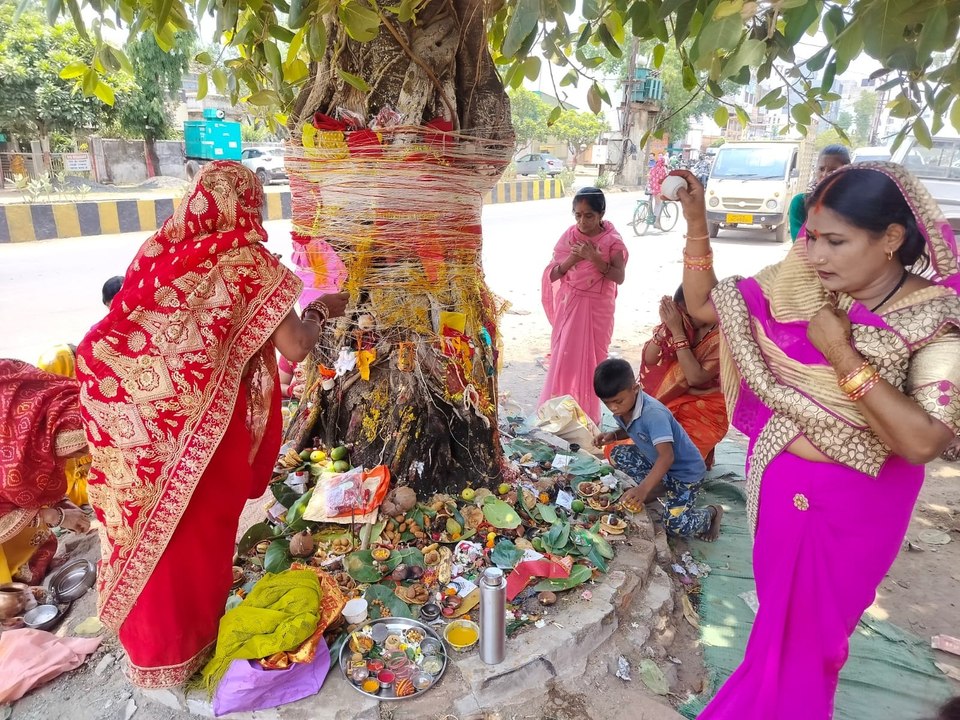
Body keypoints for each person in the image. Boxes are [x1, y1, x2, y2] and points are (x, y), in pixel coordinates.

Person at [670, 161, 960, 719]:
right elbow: (707, 307)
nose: (816, 253)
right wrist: (697, 220)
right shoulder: (803, 279)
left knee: (811, 648)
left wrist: (841, 353)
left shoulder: (934, 320)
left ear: (891, 240)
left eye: (835, 240)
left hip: (855, 508)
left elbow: (923, 441)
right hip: (782, 485)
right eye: (811, 237)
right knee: (776, 640)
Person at [74, 161, 349, 688]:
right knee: (194, 532)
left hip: (128, 413)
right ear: (245, 204)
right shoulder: (248, 261)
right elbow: (293, 345)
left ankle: (152, 654)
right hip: (201, 425)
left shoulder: (161, 253)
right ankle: (189, 648)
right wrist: (321, 312)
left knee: (144, 525)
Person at [593, 358, 722, 540]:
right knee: (617, 454)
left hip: (686, 475)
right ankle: (661, 486)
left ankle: (711, 514)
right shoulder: (625, 408)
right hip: (661, 465)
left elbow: (667, 457)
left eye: (617, 401)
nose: (613, 408)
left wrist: (643, 489)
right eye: (607, 403)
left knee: (674, 526)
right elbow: (633, 429)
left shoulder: (654, 414)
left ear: (635, 389)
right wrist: (613, 436)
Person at [540, 187, 628, 424]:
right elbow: (552, 274)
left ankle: (589, 415)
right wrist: (573, 259)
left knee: (593, 363)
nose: (582, 221)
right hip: (571, 304)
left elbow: (619, 277)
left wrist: (595, 259)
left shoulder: (612, 241)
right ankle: (559, 411)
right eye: (577, 215)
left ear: (601, 215)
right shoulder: (570, 236)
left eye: (588, 216)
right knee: (564, 356)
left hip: (598, 307)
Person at [0, 360, 91, 584]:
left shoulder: (29, 425)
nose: (76, 458)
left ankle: (31, 563)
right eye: (74, 451)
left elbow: (36, 471)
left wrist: (60, 502)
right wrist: (56, 516)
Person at [638, 286, 728, 468]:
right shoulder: (683, 320)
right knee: (631, 447)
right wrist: (665, 328)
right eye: (684, 314)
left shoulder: (724, 334)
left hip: (709, 402)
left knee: (678, 463)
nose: (689, 320)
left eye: (692, 315)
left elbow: (696, 377)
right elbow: (649, 358)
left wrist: (678, 333)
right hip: (677, 393)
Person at [35, 344, 89, 507]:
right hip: (75, 489)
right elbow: (90, 465)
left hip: (55, 492)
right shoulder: (70, 411)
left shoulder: (38, 408)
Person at [788, 144, 851, 241]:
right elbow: (800, 243)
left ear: (845, 171)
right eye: (821, 169)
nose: (825, 174)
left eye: (833, 170)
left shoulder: (854, 204)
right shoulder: (801, 202)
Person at [647, 154, 669, 224]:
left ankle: (651, 216)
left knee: (654, 202)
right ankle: (656, 221)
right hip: (658, 189)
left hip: (651, 188)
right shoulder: (664, 169)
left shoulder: (653, 168)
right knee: (658, 204)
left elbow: (649, 177)